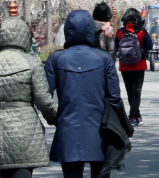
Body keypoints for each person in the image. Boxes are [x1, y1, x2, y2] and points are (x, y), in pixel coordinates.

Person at [0, 17, 57, 178]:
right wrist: (55, 118)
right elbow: (43, 100)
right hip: (25, 128)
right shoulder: (31, 62)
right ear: (25, 37)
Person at [45, 10, 123, 178]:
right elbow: (114, 97)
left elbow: (45, 96)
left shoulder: (56, 59)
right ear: (90, 30)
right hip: (100, 128)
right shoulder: (103, 58)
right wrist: (121, 124)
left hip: (67, 126)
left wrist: (54, 117)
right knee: (101, 173)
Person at [115, 8, 153, 126]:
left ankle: (135, 114)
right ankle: (133, 116)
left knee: (129, 91)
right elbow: (150, 45)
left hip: (124, 65)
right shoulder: (141, 31)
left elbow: (116, 46)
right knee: (137, 91)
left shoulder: (121, 32)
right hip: (139, 64)